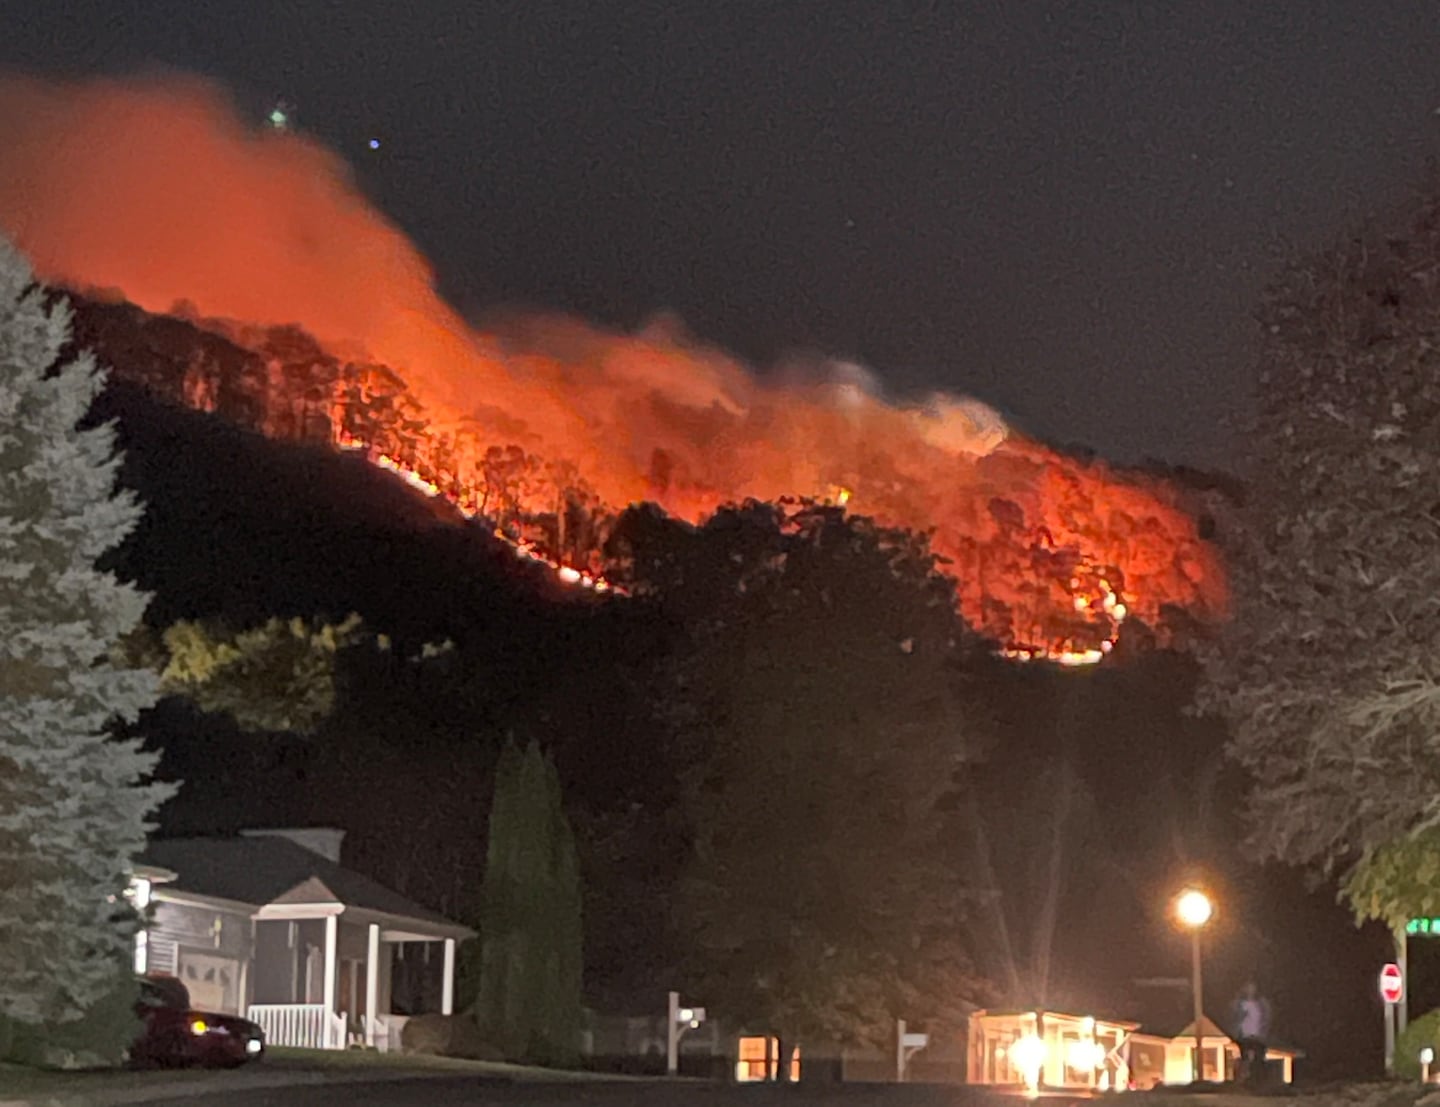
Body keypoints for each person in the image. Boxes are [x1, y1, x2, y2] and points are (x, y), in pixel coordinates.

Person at [1230, 981, 1273, 1087]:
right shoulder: (1239, 1003)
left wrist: (1264, 1032)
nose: (1250, 990)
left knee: (1259, 1058)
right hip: (1244, 1035)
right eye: (1248, 987)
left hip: (1258, 1036)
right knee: (1244, 1057)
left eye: (1252, 987)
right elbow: (1234, 1016)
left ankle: (1258, 1080)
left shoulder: (1262, 1003)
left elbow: (1267, 1018)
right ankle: (1242, 1080)